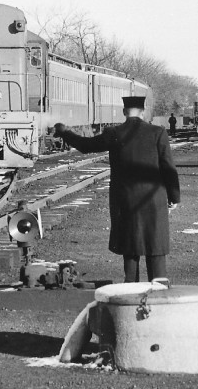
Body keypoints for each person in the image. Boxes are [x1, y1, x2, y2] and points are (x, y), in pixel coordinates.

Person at [54, 96, 180, 284]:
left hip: (125, 200)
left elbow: (86, 146)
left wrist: (64, 132)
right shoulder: (158, 132)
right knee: (155, 247)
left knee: (130, 247)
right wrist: (174, 196)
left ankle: (130, 291)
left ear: (124, 112)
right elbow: (168, 167)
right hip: (154, 199)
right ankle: (159, 292)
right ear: (143, 111)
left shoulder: (114, 133)